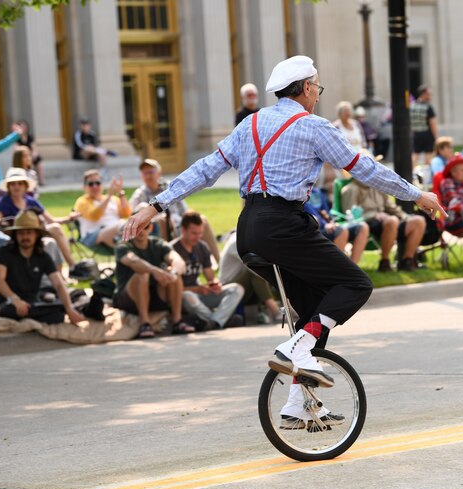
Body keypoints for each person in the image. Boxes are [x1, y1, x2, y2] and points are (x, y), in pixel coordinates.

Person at [121, 55, 444, 398]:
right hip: (284, 226)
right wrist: (415, 194)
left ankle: (297, 403)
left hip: (248, 232)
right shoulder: (314, 126)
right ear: (306, 87)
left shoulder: (251, 124)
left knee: (314, 312)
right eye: (316, 88)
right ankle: (296, 348)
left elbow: (206, 169)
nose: (317, 96)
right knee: (356, 285)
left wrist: (155, 206)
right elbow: (364, 168)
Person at [0, 210, 84, 325]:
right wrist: (15, 299)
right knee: (8, 311)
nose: (25, 237)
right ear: (16, 235)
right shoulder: (4, 252)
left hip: (32, 301)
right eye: (21, 233)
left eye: (29, 232)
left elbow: (58, 283)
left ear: (36, 234)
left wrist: (69, 308)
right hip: (9, 302)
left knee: (58, 314)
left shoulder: (42, 256)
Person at [0, 168, 82, 277]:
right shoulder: (4, 201)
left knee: (55, 230)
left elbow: (51, 220)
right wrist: (0, 221)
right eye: (13, 184)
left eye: (20, 183)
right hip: (18, 236)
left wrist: (69, 218)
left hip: (35, 233)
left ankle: (71, 268)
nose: (16, 186)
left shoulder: (31, 201)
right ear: (8, 187)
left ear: (25, 186)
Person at [114, 218, 196, 339]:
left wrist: (172, 273)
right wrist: (154, 270)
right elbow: (133, 261)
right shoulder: (123, 245)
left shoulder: (158, 244)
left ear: (151, 228)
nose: (141, 231)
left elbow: (178, 261)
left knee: (173, 275)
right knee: (142, 274)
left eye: (145, 227)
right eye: (137, 227)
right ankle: (144, 323)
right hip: (128, 299)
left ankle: (177, 321)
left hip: (154, 296)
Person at [129, 158, 221, 261]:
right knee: (162, 220)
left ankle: (219, 262)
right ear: (141, 176)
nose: (148, 175)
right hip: (158, 228)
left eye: (151, 172)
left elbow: (185, 210)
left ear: (159, 173)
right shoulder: (140, 194)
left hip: (180, 224)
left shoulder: (170, 188)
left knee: (201, 220)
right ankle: (166, 260)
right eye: (144, 173)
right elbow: (133, 214)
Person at [170, 211, 243, 330]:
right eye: (194, 233)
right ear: (183, 230)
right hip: (183, 297)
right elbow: (171, 288)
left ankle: (214, 322)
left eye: (200, 233)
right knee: (188, 295)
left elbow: (210, 276)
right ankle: (220, 320)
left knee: (237, 289)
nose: (198, 237)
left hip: (200, 294)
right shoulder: (172, 250)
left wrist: (215, 284)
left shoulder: (202, 247)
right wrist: (197, 289)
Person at [341, 179, 427, 272]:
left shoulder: (377, 186)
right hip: (367, 224)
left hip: (388, 221)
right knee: (392, 221)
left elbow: (390, 206)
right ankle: (384, 262)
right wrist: (374, 215)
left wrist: (404, 217)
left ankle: (407, 262)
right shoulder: (350, 189)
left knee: (418, 221)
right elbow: (350, 214)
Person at [218, 232, 283, 324]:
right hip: (228, 286)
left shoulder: (244, 239)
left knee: (266, 272)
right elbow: (255, 266)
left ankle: (283, 308)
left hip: (240, 284)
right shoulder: (236, 242)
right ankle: (276, 311)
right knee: (256, 272)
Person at [305, 187, 370, 264]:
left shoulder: (318, 192)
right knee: (342, 231)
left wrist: (332, 222)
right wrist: (325, 224)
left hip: (329, 225)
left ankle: (352, 268)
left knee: (363, 227)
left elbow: (326, 210)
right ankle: (338, 270)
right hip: (315, 229)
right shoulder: (299, 194)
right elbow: (308, 212)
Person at [73, 169, 131, 249]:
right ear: (84, 187)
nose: (95, 186)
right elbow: (94, 216)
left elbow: (126, 214)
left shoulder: (114, 199)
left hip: (117, 231)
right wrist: (108, 197)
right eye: (90, 184)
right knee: (125, 226)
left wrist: (120, 193)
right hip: (92, 236)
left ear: (102, 184)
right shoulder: (82, 201)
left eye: (98, 183)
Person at [410, 84, 437, 169]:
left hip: (416, 133)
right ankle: (427, 174)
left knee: (415, 154)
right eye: (429, 94)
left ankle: (411, 172)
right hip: (427, 133)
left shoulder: (412, 106)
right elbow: (432, 123)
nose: (430, 96)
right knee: (428, 155)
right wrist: (435, 136)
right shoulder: (428, 107)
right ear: (423, 93)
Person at [16, 120, 44, 187]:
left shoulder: (30, 137)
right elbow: (16, 149)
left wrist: (32, 155)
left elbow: (34, 148)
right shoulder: (17, 138)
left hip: (30, 155)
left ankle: (41, 181)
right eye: (21, 127)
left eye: (24, 126)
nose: (23, 128)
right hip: (21, 156)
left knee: (39, 163)